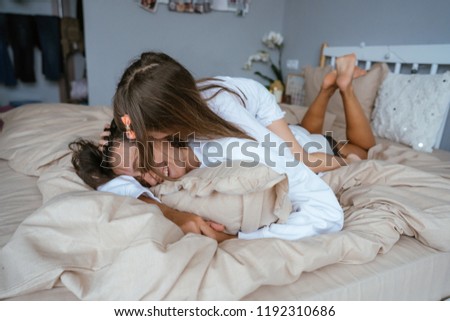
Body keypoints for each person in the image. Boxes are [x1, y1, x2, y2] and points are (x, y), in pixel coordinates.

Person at [73, 52, 375, 242]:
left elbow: (326, 213)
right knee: (303, 135)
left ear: (172, 122)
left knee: (351, 151)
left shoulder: (233, 138)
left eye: (145, 140)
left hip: (263, 116)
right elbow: (120, 184)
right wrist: (116, 140)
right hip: (260, 111)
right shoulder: (174, 122)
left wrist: (241, 239)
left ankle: (345, 88)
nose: (150, 178)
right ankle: (325, 89)